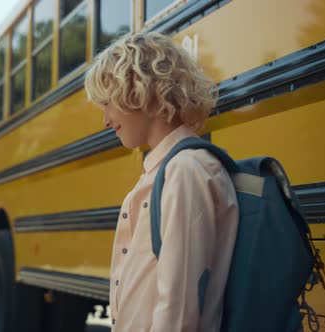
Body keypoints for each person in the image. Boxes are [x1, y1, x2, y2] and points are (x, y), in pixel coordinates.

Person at [84, 31, 239, 331]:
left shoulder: (186, 171)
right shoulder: (165, 171)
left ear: (143, 90)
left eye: (108, 103)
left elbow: (178, 312)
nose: (105, 120)